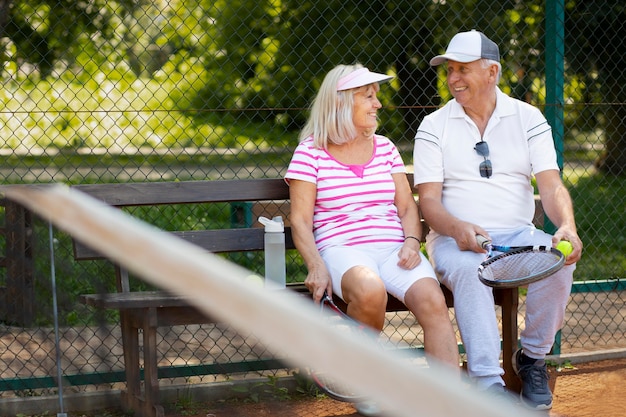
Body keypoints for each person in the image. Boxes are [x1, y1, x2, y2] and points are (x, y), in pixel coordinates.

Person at [413, 30, 583, 410]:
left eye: (462, 69)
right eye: (450, 70)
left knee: (559, 261)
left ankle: (532, 359)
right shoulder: (433, 126)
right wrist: (457, 229)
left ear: (492, 73)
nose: (453, 78)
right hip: (453, 241)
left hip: (519, 235)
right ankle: (488, 383)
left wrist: (566, 226)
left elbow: (552, 186)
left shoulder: (528, 118)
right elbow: (428, 202)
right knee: (473, 271)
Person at [285, 64, 460, 373]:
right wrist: (316, 265)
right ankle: (369, 380)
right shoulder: (309, 152)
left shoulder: (386, 148)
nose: (377, 104)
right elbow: (300, 220)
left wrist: (410, 242)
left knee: (434, 302)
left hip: (394, 249)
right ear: (341, 102)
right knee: (369, 290)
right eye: (368, 96)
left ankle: (447, 399)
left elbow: (407, 208)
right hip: (342, 250)